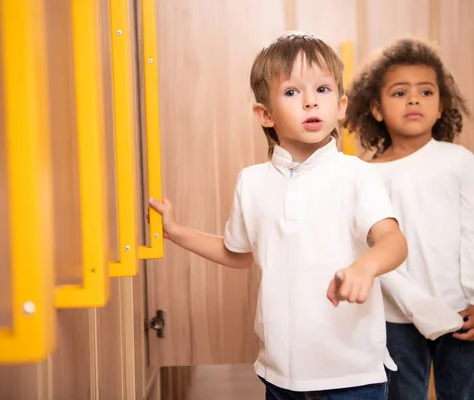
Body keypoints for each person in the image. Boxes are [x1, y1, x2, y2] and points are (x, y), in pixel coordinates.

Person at [148, 32, 408, 399]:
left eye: (322, 89)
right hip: (280, 374)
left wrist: (365, 267)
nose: (310, 102)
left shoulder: (356, 175)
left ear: (341, 106)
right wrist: (176, 232)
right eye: (291, 92)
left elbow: (394, 242)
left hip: (352, 376)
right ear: (265, 114)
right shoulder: (251, 182)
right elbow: (238, 254)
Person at [344, 38, 474, 399]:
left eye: (426, 91)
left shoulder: (458, 161)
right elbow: (370, 248)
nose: (414, 99)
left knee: (461, 394)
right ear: (377, 109)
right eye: (399, 93)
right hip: (395, 317)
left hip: (459, 311)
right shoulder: (365, 175)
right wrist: (414, 305)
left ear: (441, 106)